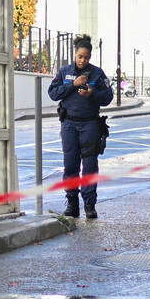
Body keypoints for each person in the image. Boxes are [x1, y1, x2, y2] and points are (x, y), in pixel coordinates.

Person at [48, 35, 113, 219]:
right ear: (74, 55)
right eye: (80, 56)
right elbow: (52, 93)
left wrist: (93, 93)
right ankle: (72, 204)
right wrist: (72, 85)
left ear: (90, 57)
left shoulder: (97, 74)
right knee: (70, 165)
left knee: (90, 166)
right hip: (69, 124)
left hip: (90, 124)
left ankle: (90, 206)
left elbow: (107, 97)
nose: (83, 60)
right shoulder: (64, 71)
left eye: (86, 57)